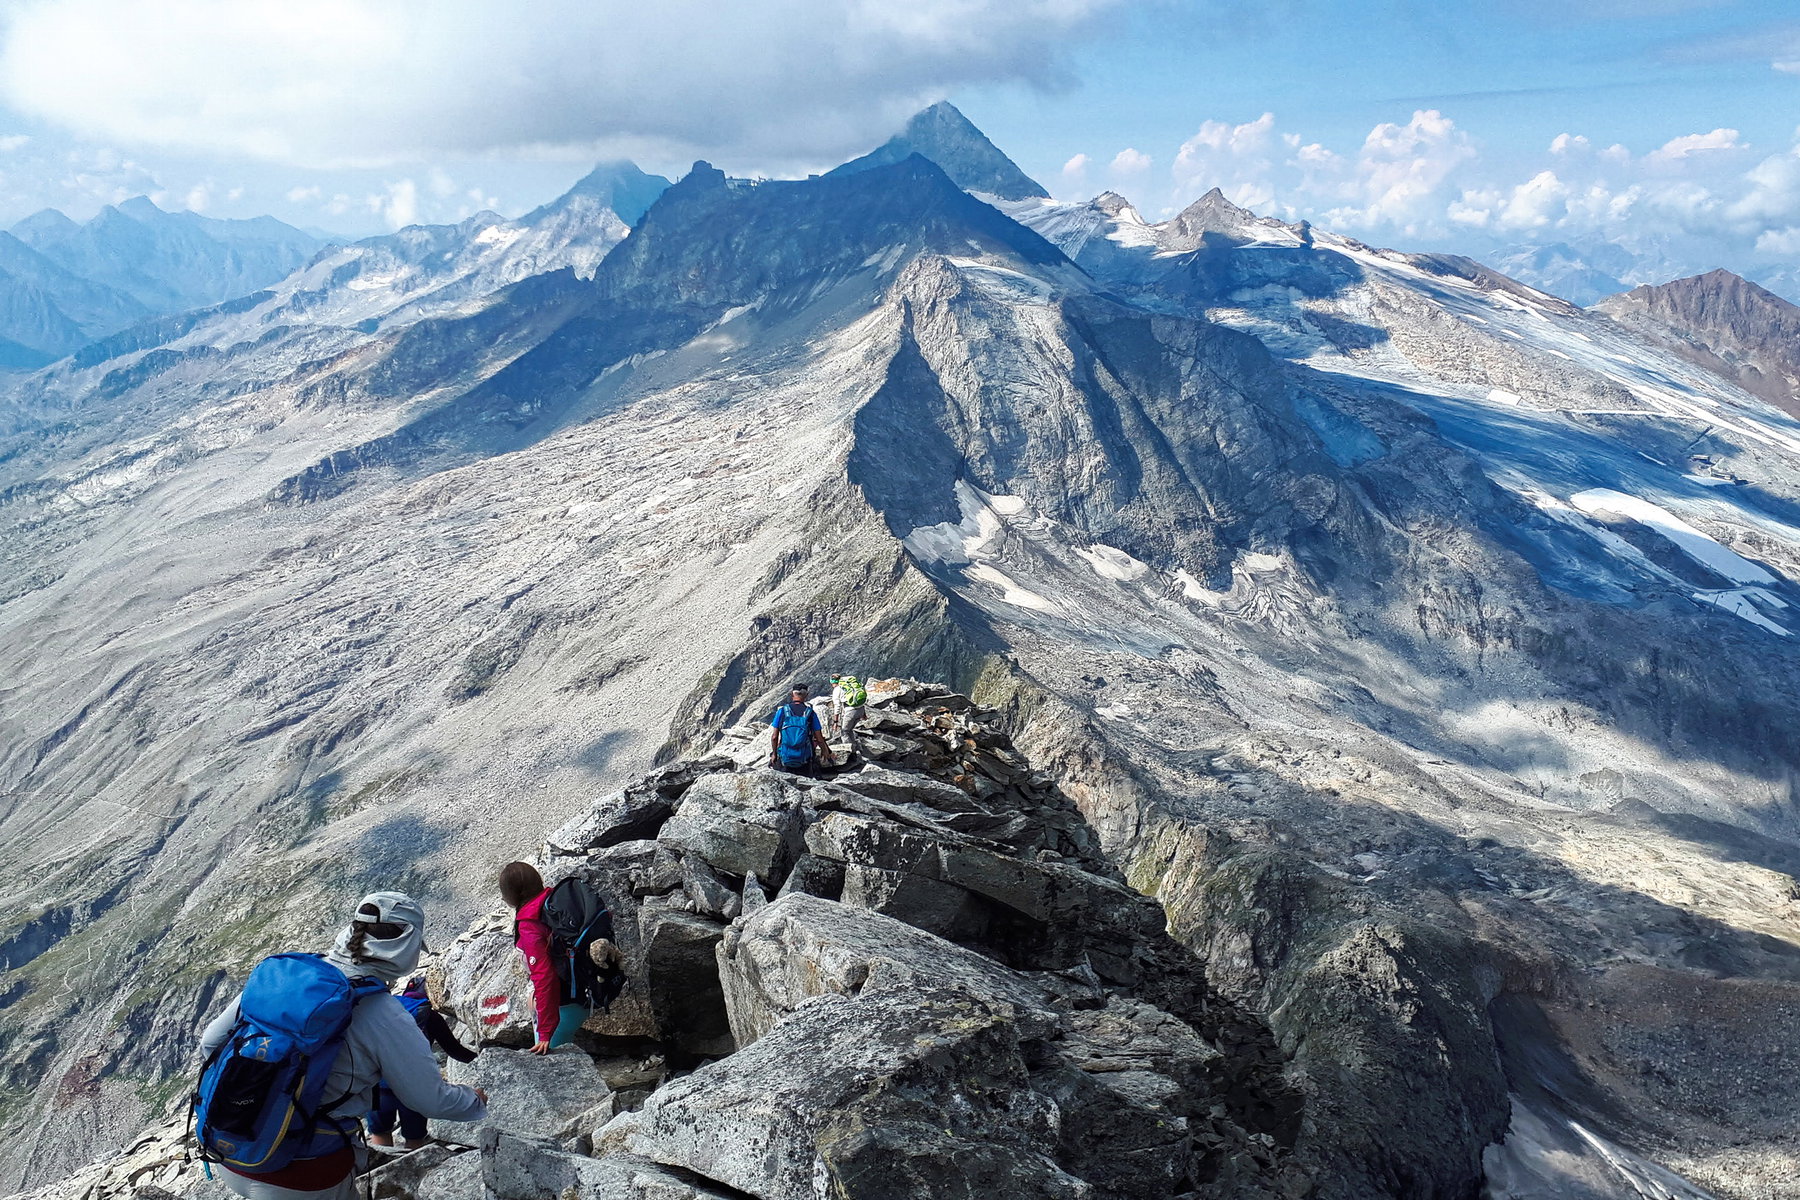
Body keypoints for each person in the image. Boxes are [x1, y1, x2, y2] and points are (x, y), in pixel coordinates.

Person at [198, 893, 488, 1200]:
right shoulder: (382, 1012)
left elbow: (211, 1041)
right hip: (305, 1170)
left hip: (229, 1152)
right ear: (407, 945)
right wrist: (479, 1102)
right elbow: (429, 1100)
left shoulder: (289, 975)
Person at [366, 975, 478, 1151]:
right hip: (413, 1087)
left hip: (377, 1086)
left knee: (379, 1133)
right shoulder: (429, 1015)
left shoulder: (385, 1009)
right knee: (415, 1139)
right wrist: (484, 1059)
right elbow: (454, 1051)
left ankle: (384, 1173)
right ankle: (414, 1173)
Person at [500, 861, 583, 1055]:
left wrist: (545, 1032)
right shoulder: (553, 901)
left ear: (515, 894)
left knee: (550, 1067)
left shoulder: (529, 923)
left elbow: (545, 977)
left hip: (565, 1004)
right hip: (581, 991)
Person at [769, 682, 832, 775]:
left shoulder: (782, 711)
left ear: (792, 694)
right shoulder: (810, 713)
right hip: (805, 758)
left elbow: (774, 737)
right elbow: (819, 738)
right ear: (806, 695)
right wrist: (825, 751)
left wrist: (774, 754)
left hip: (785, 756)